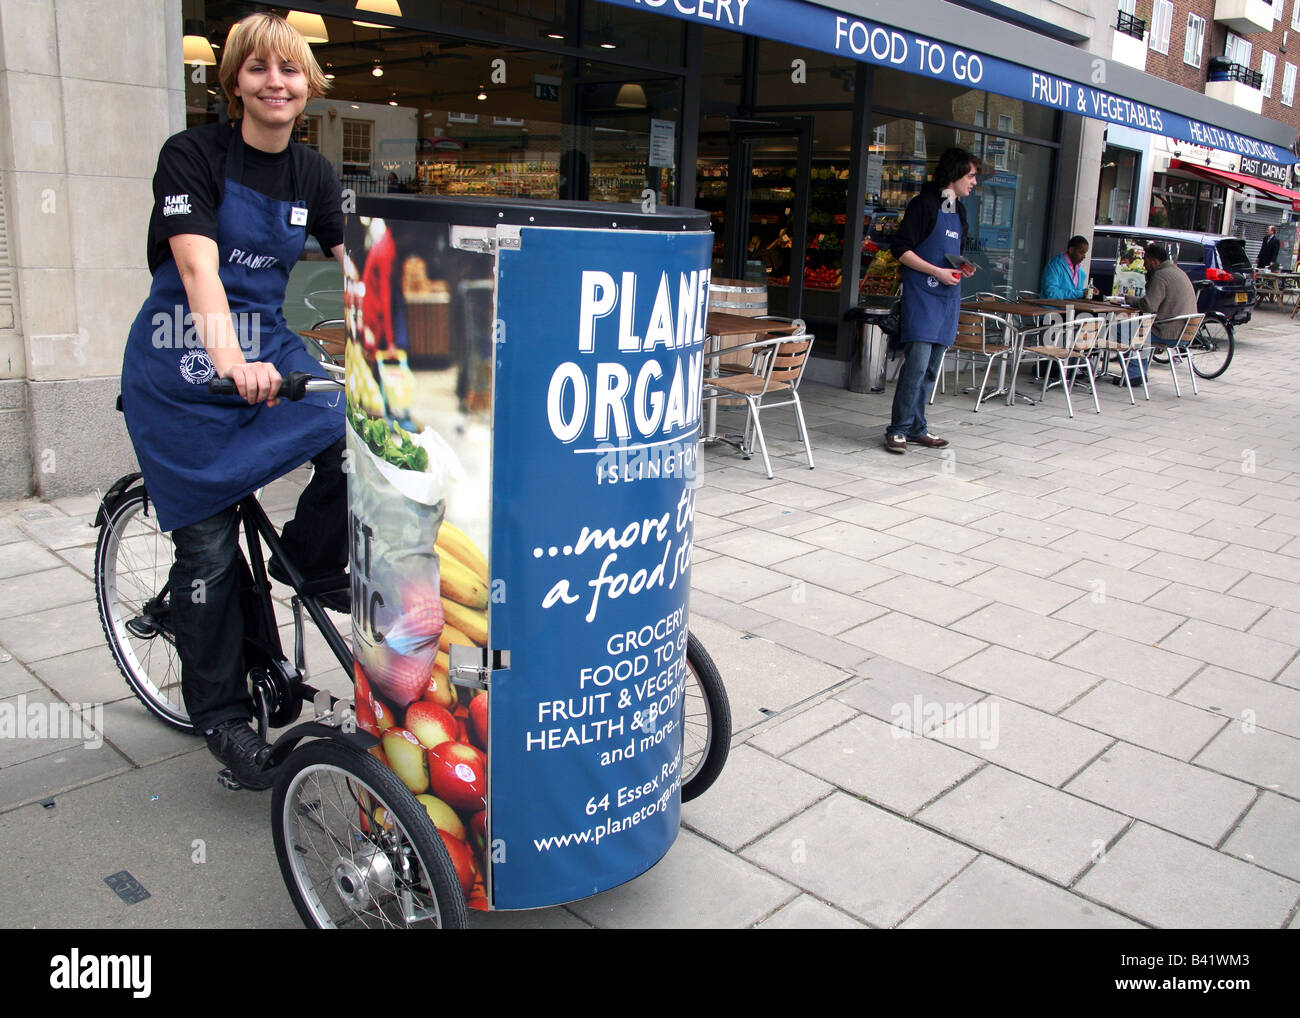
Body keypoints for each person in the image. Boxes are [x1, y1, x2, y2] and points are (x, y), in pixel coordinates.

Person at [119, 13, 347, 789]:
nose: (275, 83)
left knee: (352, 418)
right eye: (258, 69)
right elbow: (197, 273)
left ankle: (311, 565)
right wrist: (231, 361)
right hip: (183, 353)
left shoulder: (314, 174)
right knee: (210, 546)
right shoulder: (192, 155)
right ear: (235, 82)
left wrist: (424, 336)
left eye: (289, 70)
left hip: (266, 339)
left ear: (308, 83)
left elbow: (357, 269)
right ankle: (220, 715)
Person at [884, 147, 979, 454]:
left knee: (931, 369)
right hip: (922, 296)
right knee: (916, 365)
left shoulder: (959, 211)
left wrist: (961, 267)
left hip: (947, 298)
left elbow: (950, 250)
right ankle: (898, 429)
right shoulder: (923, 205)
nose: (974, 182)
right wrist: (936, 271)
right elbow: (901, 249)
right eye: (971, 175)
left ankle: (917, 427)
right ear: (954, 175)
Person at [1122, 243, 1198, 377]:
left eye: (1145, 261)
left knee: (1121, 330)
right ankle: (1138, 371)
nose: (1144, 265)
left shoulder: (1160, 276)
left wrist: (1130, 300)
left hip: (1167, 332)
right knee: (1140, 332)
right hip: (1185, 332)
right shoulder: (1178, 272)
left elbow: (1149, 306)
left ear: (1155, 262)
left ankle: (1134, 374)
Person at [1040, 235, 1089, 299]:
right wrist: (1080, 293)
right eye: (1081, 252)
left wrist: (1088, 292)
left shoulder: (1080, 271)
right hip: (1052, 308)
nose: (1084, 257)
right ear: (1071, 250)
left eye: (1085, 253)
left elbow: (1075, 293)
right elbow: (1051, 293)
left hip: (1070, 308)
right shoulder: (1054, 266)